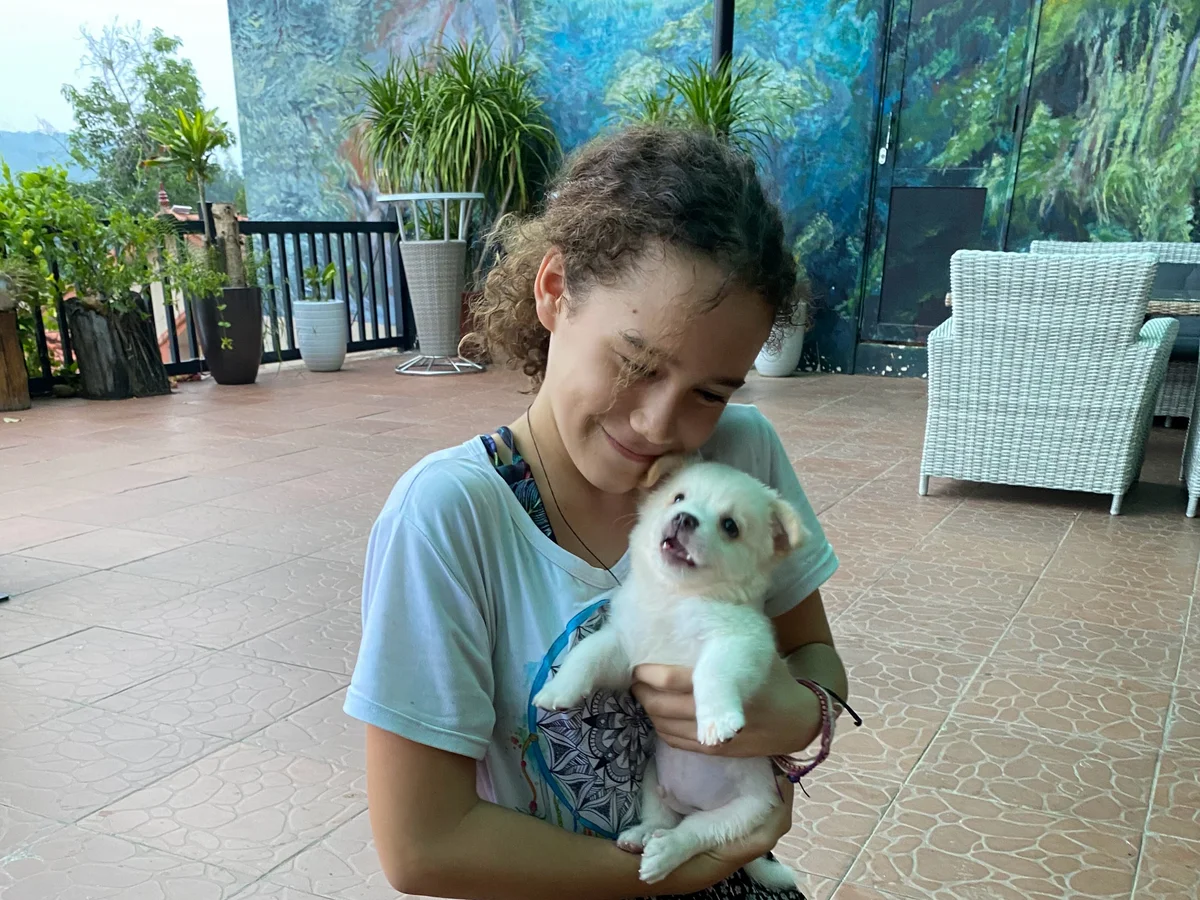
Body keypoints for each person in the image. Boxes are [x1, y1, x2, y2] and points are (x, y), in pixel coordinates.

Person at [345, 126, 847, 900]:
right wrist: (681, 868)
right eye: (636, 362)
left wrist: (795, 714)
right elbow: (422, 846)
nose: (658, 425)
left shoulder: (739, 459)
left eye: (710, 391)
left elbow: (816, 656)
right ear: (554, 291)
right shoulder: (448, 515)